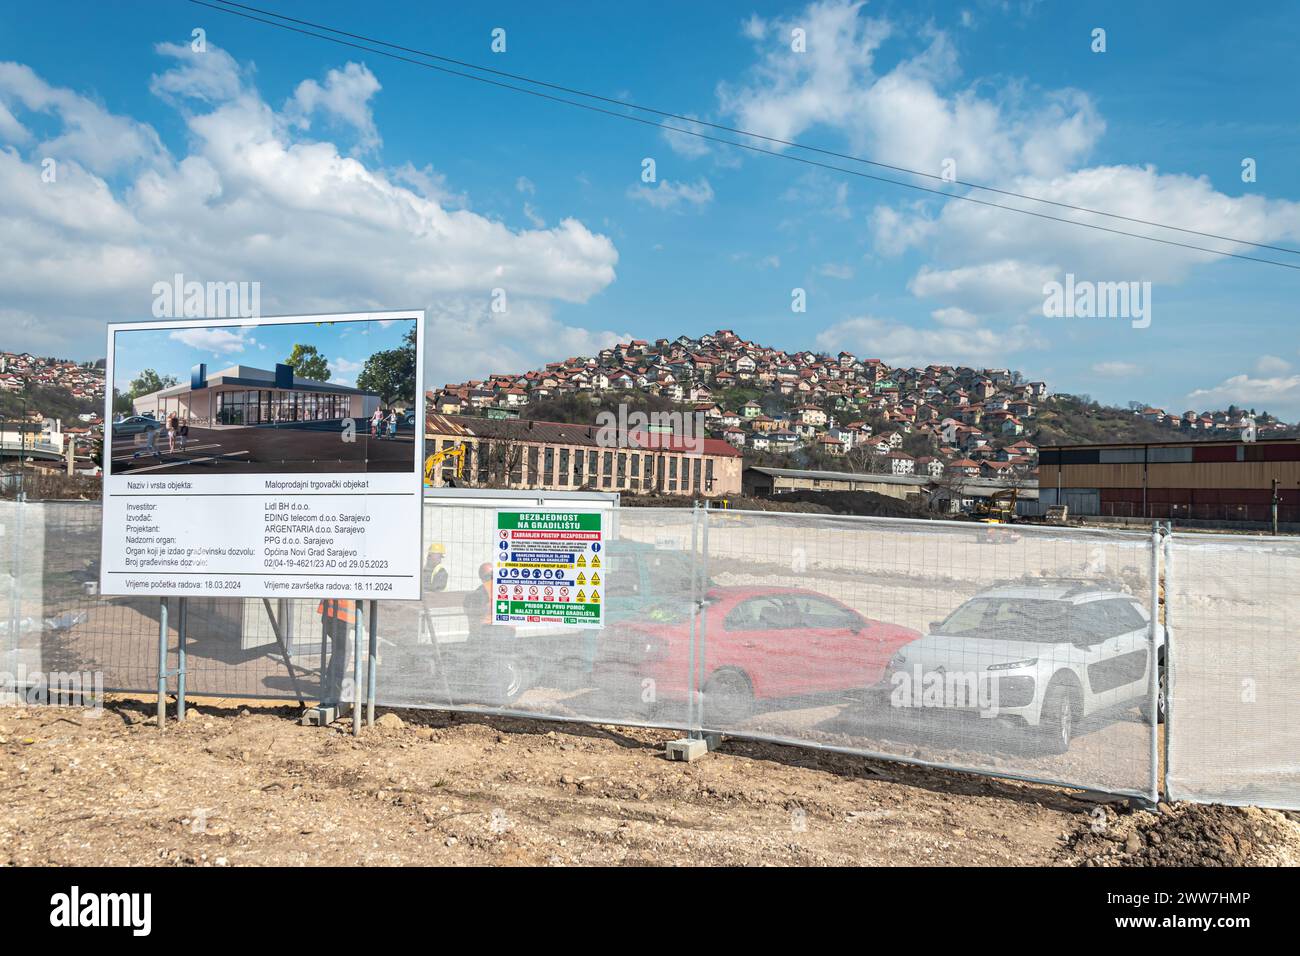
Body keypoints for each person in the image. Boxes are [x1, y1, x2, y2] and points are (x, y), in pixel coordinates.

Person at [317, 597, 360, 707]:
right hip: (339, 615)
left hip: (332, 613)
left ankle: (333, 689)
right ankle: (333, 693)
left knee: (341, 650)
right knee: (342, 650)